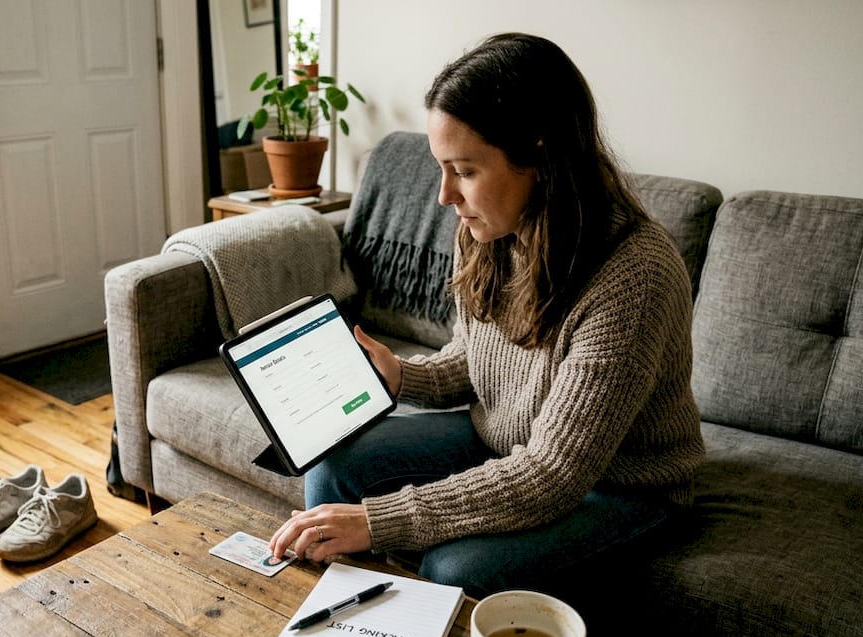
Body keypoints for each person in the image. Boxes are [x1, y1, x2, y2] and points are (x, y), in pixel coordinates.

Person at [268, 33, 705, 598]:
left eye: (465, 170)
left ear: (540, 156)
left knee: (458, 570)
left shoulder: (633, 275)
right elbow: (478, 357)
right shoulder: (488, 229)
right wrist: (402, 377)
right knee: (332, 473)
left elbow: (552, 474)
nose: (445, 196)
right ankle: (359, 632)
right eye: (441, 168)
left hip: (619, 483)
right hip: (505, 438)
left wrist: (377, 522)